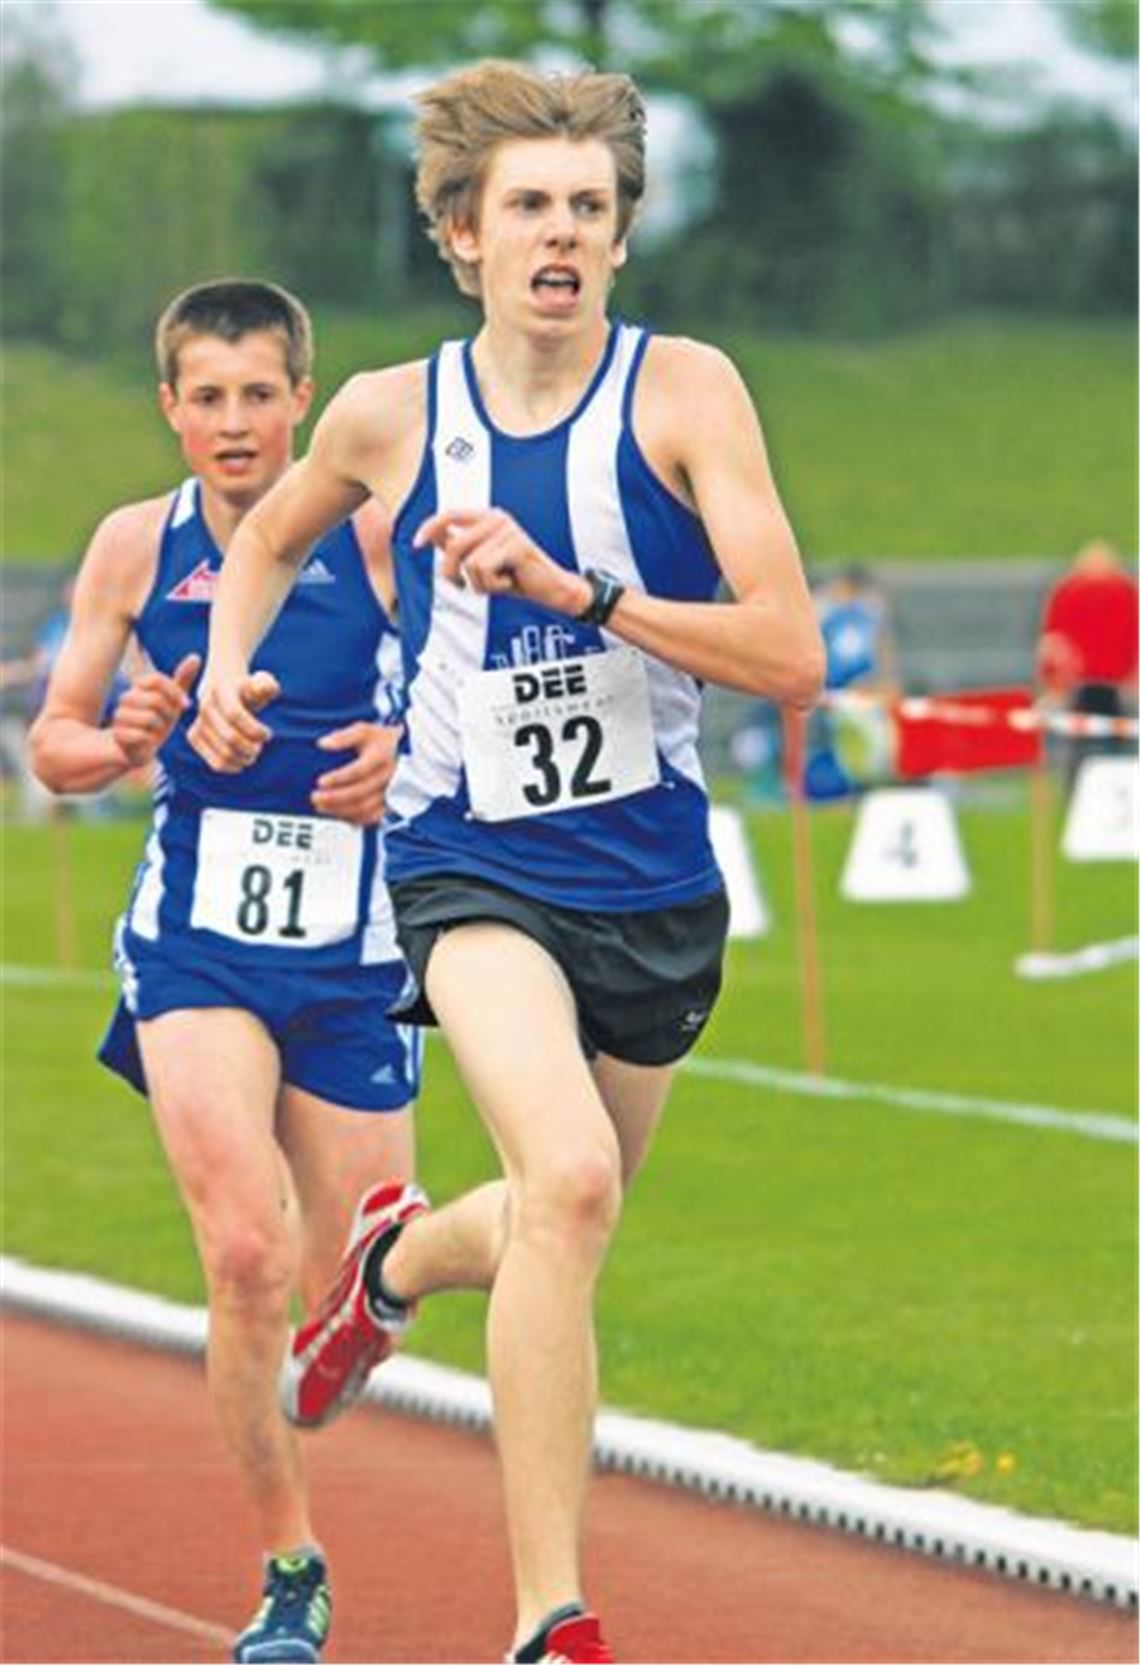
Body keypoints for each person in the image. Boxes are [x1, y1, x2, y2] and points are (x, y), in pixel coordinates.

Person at [190, 62, 824, 1665]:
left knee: (553, 1215)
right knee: (576, 1183)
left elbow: (791, 654)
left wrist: (582, 592)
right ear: (463, 237)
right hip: (468, 861)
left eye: (591, 209)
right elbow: (267, 535)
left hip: (657, 887)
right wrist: (223, 672)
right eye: (531, 205)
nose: (563, 233)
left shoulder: (687, 394)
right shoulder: (392, 414)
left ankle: (394, 1259)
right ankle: (553, 1619)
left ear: (622, 240)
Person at [28, 279, 426, 1665]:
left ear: (304, 401)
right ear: (172, 410)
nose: (237, 423)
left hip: (353, 948)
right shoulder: (136, 548)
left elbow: (458, 711)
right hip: (196, 933)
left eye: (261, 395)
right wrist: (126, 735)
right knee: (245, 1255)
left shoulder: (374, 535)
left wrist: (403, 763)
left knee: (362, 1274)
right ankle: (289, 1568)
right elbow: (55, 749)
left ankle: (341, 1330)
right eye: (210, 398)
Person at [1035, 539, 1139, 783]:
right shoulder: (1123, 591)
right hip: (1100, 685)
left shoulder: (1070, 591)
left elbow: (1053, 642)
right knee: (1107, 745)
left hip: (1101, 686)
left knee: (1089, 745)